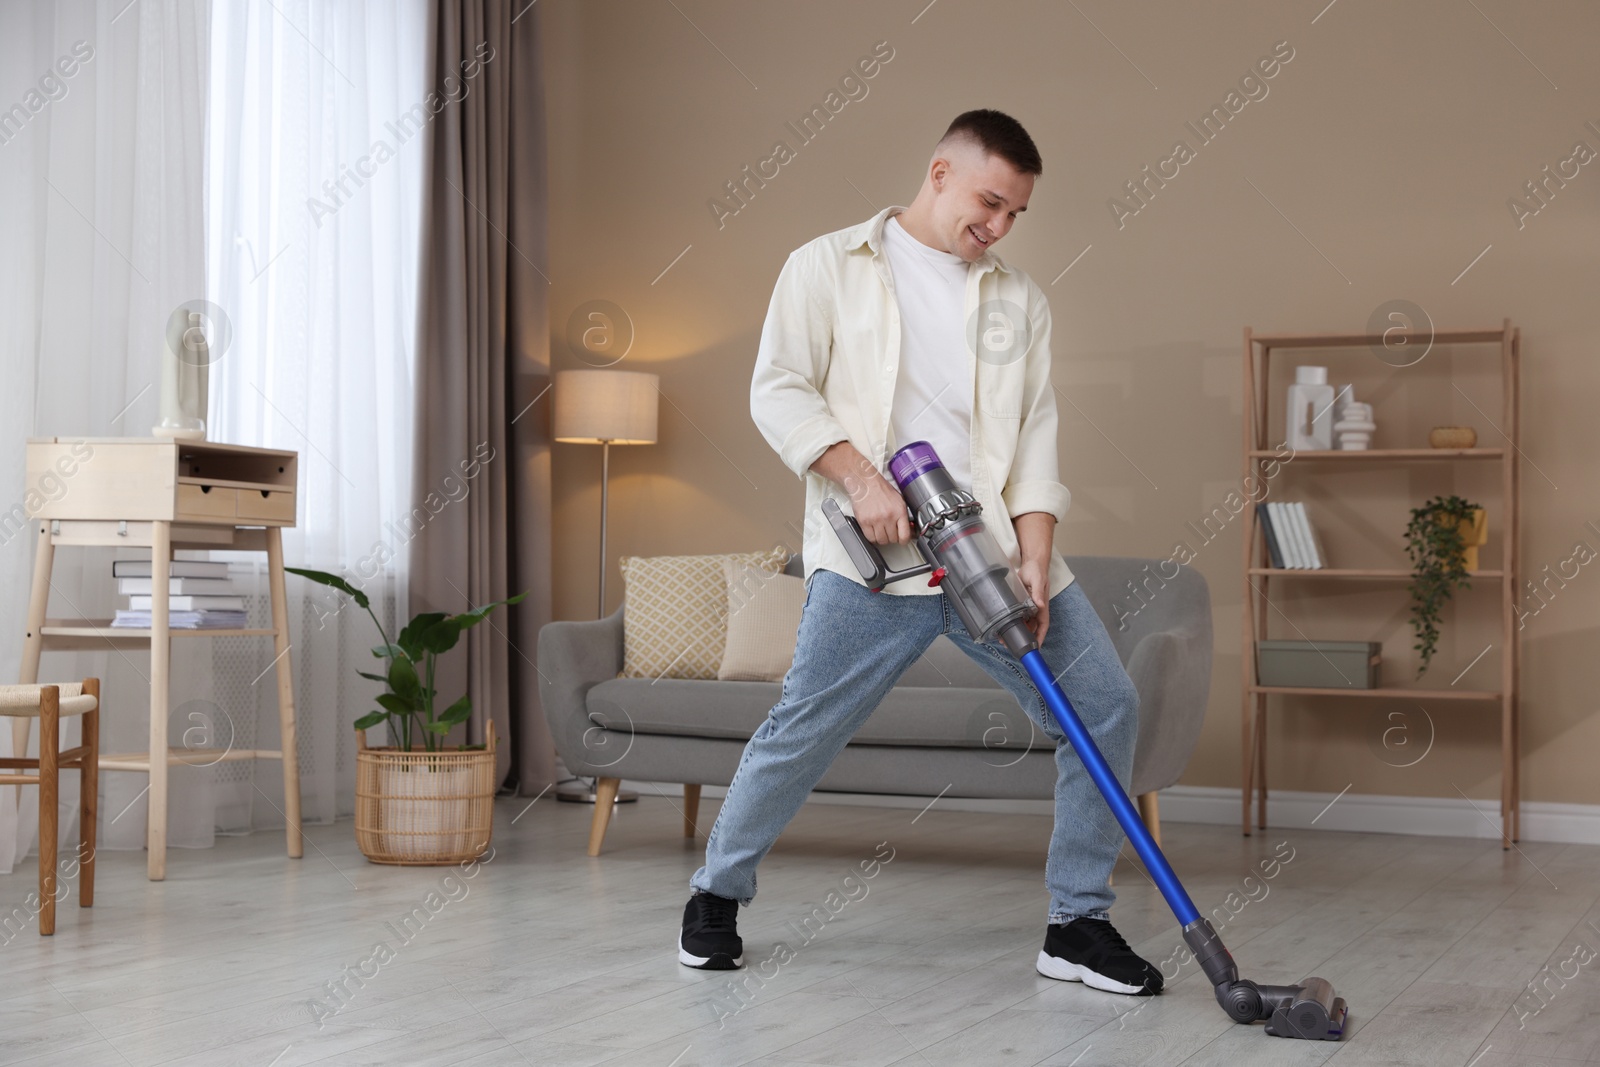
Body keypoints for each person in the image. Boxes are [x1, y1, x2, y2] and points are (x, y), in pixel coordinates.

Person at [678, 109, 1162, 997]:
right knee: (803, 727)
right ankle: (716, 896)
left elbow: (1037, 439)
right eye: (990, 202)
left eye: (1016, 213)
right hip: (875, 556)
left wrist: (1036, 552)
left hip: (996, 556)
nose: (1000, 226)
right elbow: (778, 390)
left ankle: (1078, 923)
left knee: (1105, 704)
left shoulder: (1021, 300)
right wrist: (862, 479)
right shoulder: (826, 267)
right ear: (940, 172)